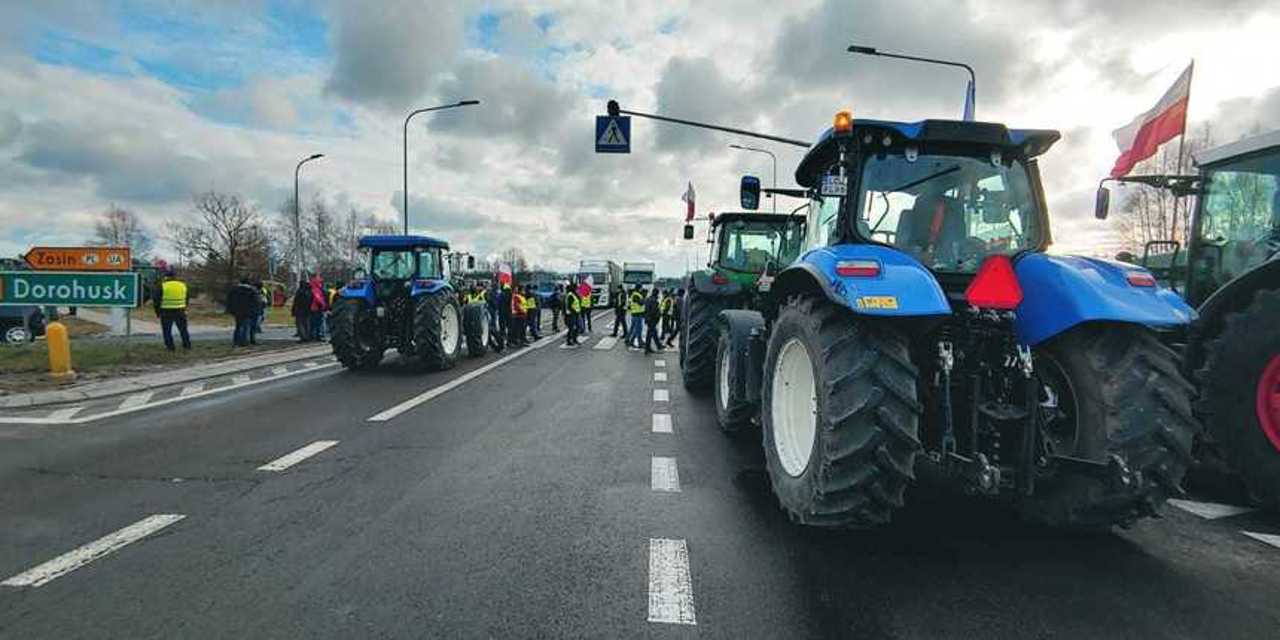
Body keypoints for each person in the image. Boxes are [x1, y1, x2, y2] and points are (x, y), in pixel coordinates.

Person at [154, 269, 191, 351]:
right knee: (183, 329)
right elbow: (187, 298)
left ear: (166, 277)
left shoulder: (162, 286)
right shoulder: (183, 285)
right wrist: (184, 307)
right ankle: (187, 345)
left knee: (167, 331)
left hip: (166, 311)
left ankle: (170, 347)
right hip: (180, 310)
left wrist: (157, 312)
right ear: (175, 276)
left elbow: (156, 300)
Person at [226, 277, 259, 347]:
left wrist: (230, 310)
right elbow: (256, 301)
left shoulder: (233, 290)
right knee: (245, 326)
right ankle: (244, 342)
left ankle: (236, 341)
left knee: (238, 326)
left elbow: (229, 300)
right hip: (247, 311)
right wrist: (255, 310)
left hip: (236, 311)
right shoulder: (252, 290)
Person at [644, 286, 664, 354]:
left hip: (648, 319)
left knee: (653, 333)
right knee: (650, 334)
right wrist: (658, 317)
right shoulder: (654, 301)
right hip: (652, 319)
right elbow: (654, 311)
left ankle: (658, 346)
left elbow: (646, 310)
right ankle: (647, 349)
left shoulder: (648, 299)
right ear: (657, 294)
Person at [308, 274, 328, 342]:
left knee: (314, 322)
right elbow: (318, 298)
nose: (321, 279)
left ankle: (313, 335)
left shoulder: (313, 286)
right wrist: (324, 305)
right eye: (319, 277)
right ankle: (317, 336)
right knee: (318, 322)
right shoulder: (316, 288)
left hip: (314, 307)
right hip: (316, 308)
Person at [626, 285, 646, 350]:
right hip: (637, 314)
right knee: (638, 329)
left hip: (635, 314)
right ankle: (639, 343)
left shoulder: (635, 294)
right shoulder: (636, 295)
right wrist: (644, 299)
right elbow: (641, 303)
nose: (642, 289)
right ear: (639, 289)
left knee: (633, 328)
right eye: (641, 288)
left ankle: (629, 340)